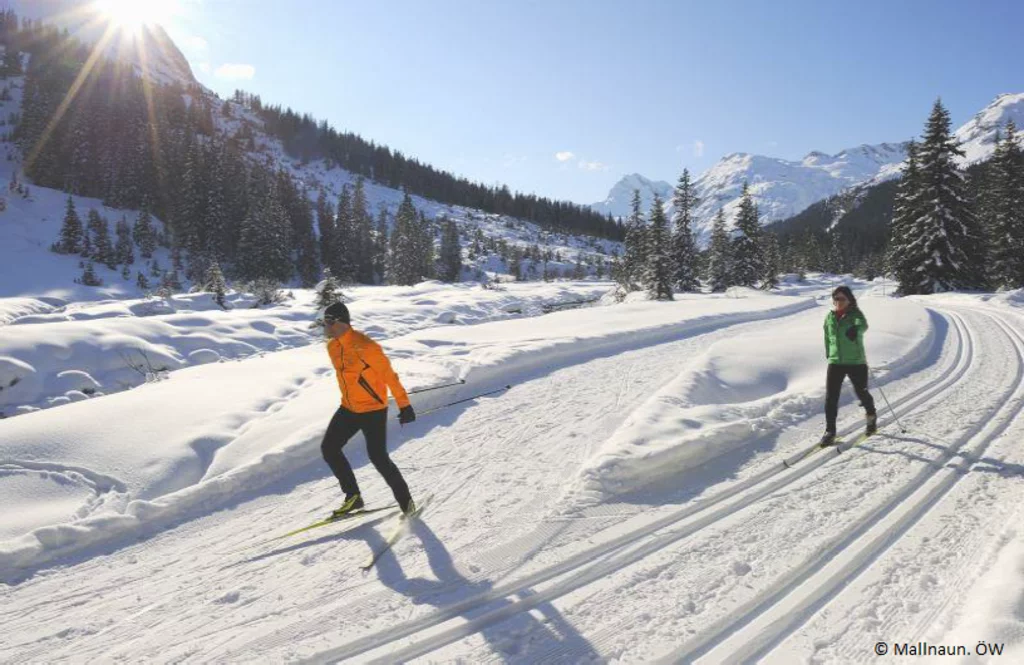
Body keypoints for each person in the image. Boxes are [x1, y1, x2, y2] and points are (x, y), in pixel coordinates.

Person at [317, 301, 417, 516]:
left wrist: (404, 405)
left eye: (327, 323)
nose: (324, 328)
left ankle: (406, 502)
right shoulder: (333, 347)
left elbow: (389, 376)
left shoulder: (367, 346)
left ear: (339, 322)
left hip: (373, 410)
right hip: (349, 408)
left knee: (378, 457)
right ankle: (353, 497)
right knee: (329, 448)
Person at [821, 286, 877, 446]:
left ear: (849, 300)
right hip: (835, 362)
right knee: (831, 397)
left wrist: (855, 328)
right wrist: (829, 354)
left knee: (862, 393)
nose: (838, 302)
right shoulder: (829, 317)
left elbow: (863, 325)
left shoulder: (855, 315)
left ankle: (871, 417)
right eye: (836, 298)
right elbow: (827, 336)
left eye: (842, 299)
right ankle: (830, 431)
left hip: (856, 362)